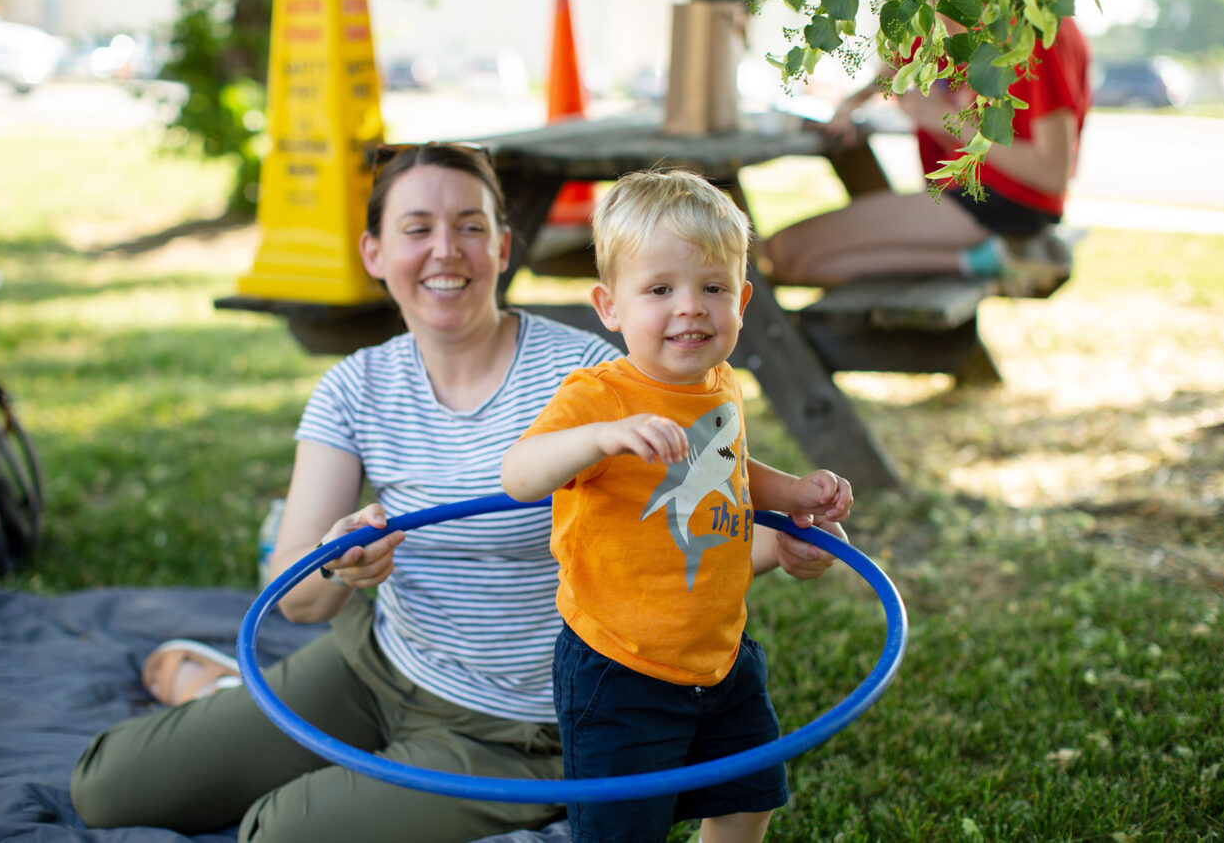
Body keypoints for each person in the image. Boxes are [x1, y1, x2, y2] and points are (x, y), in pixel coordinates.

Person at [68, 145, 843, 843]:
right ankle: (229, 686)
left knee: (277, 834)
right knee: (105, 788)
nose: (446, 250)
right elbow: (293, 596)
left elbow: (692, 523)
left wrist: (786, 539)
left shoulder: (593, 379)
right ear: (374, 252)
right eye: (416, 228)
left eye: (470, 226)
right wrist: (343, 559)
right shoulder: (355, 388)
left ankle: (516, 791)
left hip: (519, 722)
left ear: (504, 247)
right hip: (380, 665)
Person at [500, 170, 853, 843]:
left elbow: (725, 467)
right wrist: (599, 438)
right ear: (610, 306)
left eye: (712, 287)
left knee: (748, 798)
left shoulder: (718, 384)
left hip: (719, 652)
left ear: (743, 300)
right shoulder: (598, 398)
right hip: (618, 668)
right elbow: (518, 475)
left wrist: (792, 493)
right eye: (660, 289)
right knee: (622, 830)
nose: (690, 307)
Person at [766, 16, 1092, 286]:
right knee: (793, 263)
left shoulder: (1031, 30)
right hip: (969, 198)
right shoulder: (958, 18)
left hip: (1004, 202)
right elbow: (894, 70)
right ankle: (984, 260)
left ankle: (995, 255)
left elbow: (1052, 172)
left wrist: (945, 118)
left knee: (781, 251)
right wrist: (850, 106)